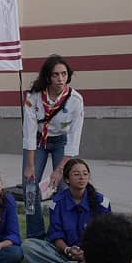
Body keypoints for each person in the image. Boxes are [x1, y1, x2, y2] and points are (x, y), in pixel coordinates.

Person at [22, 55, 84, 239]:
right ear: (48, 77)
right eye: (56, 75)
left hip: (62, 143)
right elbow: (29, 133)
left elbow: (74, 139)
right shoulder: (33, 97)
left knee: (65, 186)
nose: (60, 79)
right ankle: (36, 235)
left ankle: (63, 234)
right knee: (30, 188)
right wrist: (30, 165)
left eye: (64, 74)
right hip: (38, 142)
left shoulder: (75, 100)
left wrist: (59, 170)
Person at [22, 158, 111, 263]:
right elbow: (56, 235)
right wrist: (68, 250)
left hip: (94, 255)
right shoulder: (57, 202)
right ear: (67, 179)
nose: (82, 177)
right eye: (76, 174)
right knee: (28, 246)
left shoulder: (102, 202)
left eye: (85, 174)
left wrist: (89, 255)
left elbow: (107, 237)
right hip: (64, 253)